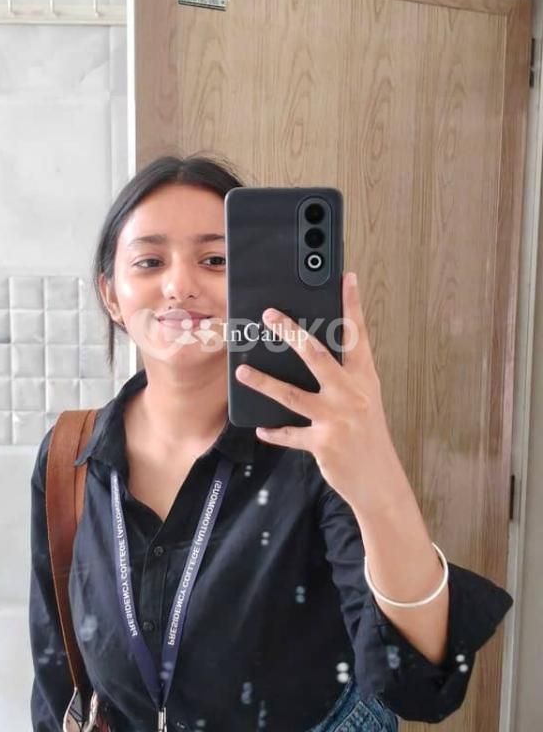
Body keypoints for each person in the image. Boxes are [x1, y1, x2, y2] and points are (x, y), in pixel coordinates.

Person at [29, 155, 513, 732]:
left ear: (252, 283)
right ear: (111, 295)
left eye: (215, 260)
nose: (180, 286)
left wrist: (376, 473)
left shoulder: (314, 449)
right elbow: (56, 678)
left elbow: (416, 682)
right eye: (150, 261)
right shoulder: (69, 456)